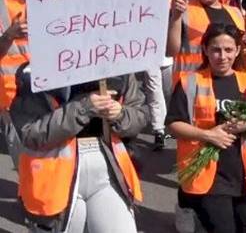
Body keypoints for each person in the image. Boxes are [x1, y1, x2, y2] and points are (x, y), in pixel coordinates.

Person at [11, 64, 146, 233]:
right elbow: (31, 133)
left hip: (108, 171)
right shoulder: (35, 71)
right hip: (56, 180)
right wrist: (84, 108)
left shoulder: (119, 66)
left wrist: (120, 115)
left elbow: (140, 117)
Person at [167, 24, 246, 233]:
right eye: (216, 50)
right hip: (208, 174)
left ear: (238, 50)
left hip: (245, 174)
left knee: (242, 227)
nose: (222, 56)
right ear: (205, 50)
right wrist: (207, 135)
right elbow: (174, 125)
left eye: (228, 50)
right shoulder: (189, 82)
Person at [0, 0, 50, 169]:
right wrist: (9, 35)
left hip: (55, 99)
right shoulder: (3, 5)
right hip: (15, 102)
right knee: (27, 168)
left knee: (53, 169)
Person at [167, 0, 246, 79]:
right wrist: (176, 17)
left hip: (232, 87)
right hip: (191, 87)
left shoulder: (236, 13)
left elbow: (241, 52)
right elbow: (170, 51)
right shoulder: (181, 10)